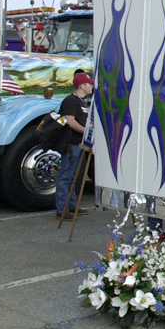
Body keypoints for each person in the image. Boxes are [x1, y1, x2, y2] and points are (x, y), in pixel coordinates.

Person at [55, 72, 94, 220]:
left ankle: (71, 205)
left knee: (73, 176)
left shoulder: (81, 101)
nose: (92, 87)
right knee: (66, 175)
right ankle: (62, 209)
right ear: (82, 86)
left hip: (79, 143)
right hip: (71, 143)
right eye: (89, 84)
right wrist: (87, 132)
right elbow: (70, 122)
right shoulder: (71, 101)